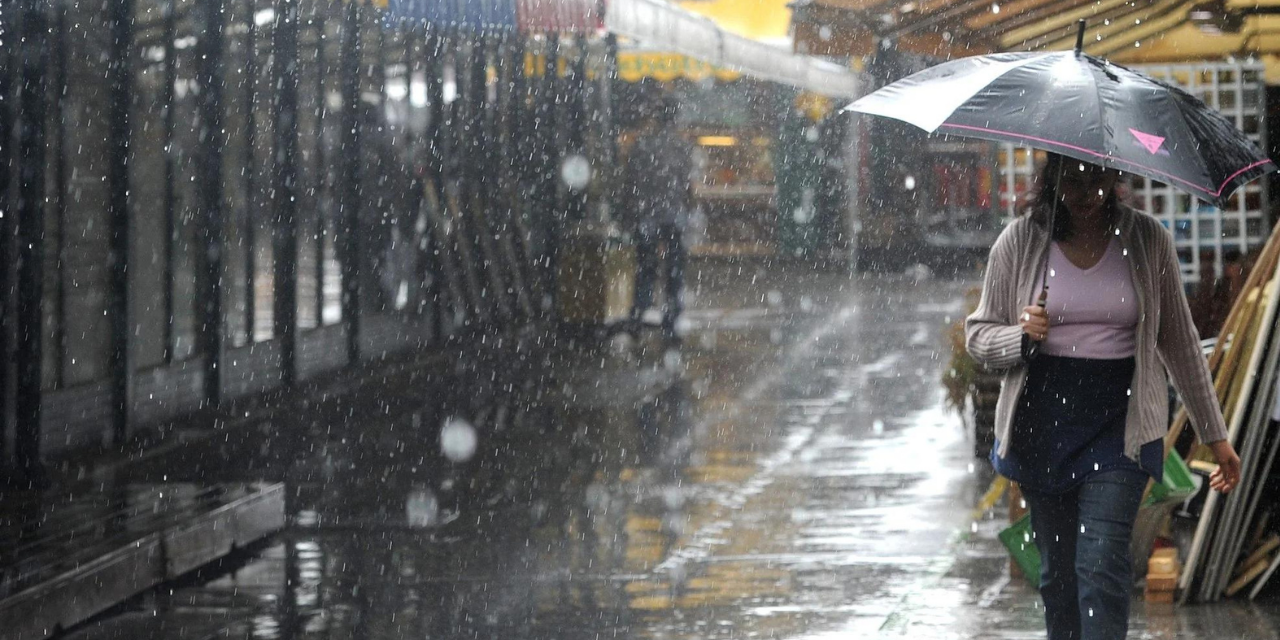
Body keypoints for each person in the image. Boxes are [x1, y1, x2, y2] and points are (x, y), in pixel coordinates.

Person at [966, 153, 1242, 640]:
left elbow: (1179, 342)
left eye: (1097, 179)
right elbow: (979, 337)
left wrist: (1215, 435)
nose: (1085, 193)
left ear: (1117, 178)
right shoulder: (1021, 241)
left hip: (1122, 422)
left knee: (1101, 564)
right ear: (1051, 179)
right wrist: (1021, 336)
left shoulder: (1146, 239)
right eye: (1072, 180)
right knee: (1059, 577)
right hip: (1041, 423)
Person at [622, 95, 694, 340]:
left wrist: (631, 211)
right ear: (675, 118)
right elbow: (687, 186)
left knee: (645, 268)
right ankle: (671, 319)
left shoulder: (641, 145)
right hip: (674, 215)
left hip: (646, 216)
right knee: (674, 270)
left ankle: (638, 314)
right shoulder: (682, 147)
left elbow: (629, 182)